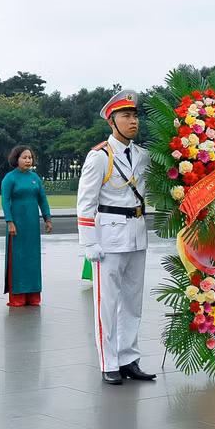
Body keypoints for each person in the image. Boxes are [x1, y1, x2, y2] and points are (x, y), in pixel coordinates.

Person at [76, 89, 156, 384]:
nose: (133, 121)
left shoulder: (143, 155)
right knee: (106, 303)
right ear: (112, 121)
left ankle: (128, 357)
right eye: (126, 116)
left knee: (132, 302)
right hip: (108, 236)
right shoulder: (99, 156)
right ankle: (109, 362)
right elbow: (85, 201)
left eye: (135, 115)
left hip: (136, 233)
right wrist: (89, 241)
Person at [1, 146, 52, 308]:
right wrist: (9, 221)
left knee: (33, 259)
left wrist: (47, 218)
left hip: (32, 225)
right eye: (24, 157)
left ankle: (33, 296)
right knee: (18, 259)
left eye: (30, 157)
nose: (28, 160)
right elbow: (5, 201)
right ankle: (18, 297)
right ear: (16, 159)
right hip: (16, 224)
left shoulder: (35, 178)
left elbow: (42, 199)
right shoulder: (10, 178)